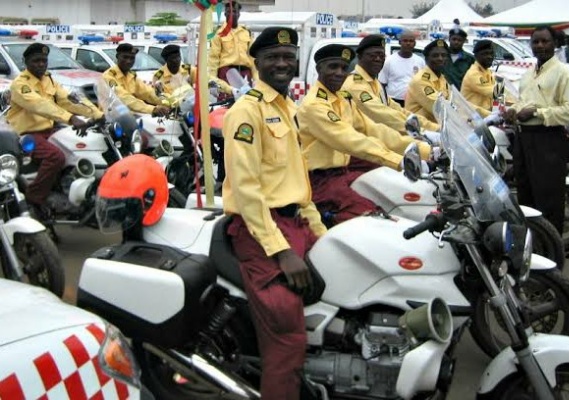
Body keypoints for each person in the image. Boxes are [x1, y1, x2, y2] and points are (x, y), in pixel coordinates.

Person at [222, 26, 327, 400]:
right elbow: (247, 191)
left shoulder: (287, 108)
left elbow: (299, 183)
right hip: (259, 232)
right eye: (273, 58)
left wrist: (324, 236)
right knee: (287, 335)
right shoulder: (246, 112)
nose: (282, 63)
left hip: (295, 222)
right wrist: (280, 251)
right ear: (257, 63)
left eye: (288, 57)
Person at [296, 43, 430, 225]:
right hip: (321, 179)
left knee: (391, 195)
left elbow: (375, 130)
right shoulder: (314, 105)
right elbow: (350, 140)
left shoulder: (341, 98)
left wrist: (426, 150)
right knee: (371, 219)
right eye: (333, 67)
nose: (339, 73)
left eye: (344, 68)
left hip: (343, 171)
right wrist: (399, 162)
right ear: (319, 69)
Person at [7, 43, 104, 215]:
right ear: (26, 62)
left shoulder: (49, 80)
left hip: (50, 130)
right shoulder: (21, 84)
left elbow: (69, 100)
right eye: (36, 61)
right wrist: (70, 118)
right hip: (27, 134)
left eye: (44, 61)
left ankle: (69, 192)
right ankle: (34, 198)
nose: (41, 64)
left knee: (78, 146)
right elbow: (40, 105)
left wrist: (96, 113)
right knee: (55, 157)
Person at [503, 26, 569, 234]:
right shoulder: (529, 74)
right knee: (526, 196)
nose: (540, 46)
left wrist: (538, 114)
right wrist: (513, 110)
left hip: (548, 140)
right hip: (524, 139)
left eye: (545, 41)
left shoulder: (563, 73)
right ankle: (532, 245)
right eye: (536, 42)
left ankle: (551, 250)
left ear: (554, 43)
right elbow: (523, 102)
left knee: (549, 198)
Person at [342, 34, 439, 134]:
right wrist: (423, 132)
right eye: (373, 55)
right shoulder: (355, 85)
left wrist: (434, 128)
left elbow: (398, 111)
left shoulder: (374, 82)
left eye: (381, 55)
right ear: (360, 57)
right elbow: (385, 115)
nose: (378, 59)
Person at [102, 43, 170, 117]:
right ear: (117, 57)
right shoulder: (109, 76)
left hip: (129, 116)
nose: (128, 61)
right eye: (125, 57)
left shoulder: (131, 76)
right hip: (110, 117)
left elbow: (149, 93)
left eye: (132, 58)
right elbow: (124, 98)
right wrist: (152, 109)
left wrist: (170, 101)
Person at [208, 0, 257, 95]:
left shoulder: (247, 33)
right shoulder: (218, 34)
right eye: (228, 11)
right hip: (226, 75)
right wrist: (212, 82)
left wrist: (256, 79)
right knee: (226, 105)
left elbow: (252, 59)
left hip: (245, 75)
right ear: (225, 14)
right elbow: (213, 59)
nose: (231, 14)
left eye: (234, 11)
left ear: (239, 14)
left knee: (247, 105)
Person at [153, 44, 233, 97]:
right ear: (166, 60)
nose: (177, 61)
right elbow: (158, 97)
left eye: (178, 57)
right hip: (172, 112)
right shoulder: (159, 76)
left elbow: (208, 78)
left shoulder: (188, 69)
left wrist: (231, 90)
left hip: (190, 108)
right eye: (173, 59)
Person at [405, 39, 450, 122]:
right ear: (426, 59)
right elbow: (438, 107)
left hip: (436, 127)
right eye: (435, 55)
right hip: (420, 129)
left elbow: (452, 100)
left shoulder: (441, 78)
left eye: (444, 55)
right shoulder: (421, 80)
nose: (440, 59)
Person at [378, 31, 425, 107]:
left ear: (415, 44)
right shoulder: (389, 61)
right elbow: (382, 84)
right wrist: (384, 102)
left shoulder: (420, 61)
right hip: (394, 101)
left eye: (411, 41)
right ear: (400, 42)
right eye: (405, 41)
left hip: (414, 102)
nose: (408, 43)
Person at [460, 39, 496, 117]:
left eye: (491, 53)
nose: (490, 57)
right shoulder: (474, 74)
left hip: (481, 115)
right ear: (476, 56)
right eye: (485, 54)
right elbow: (494, 92)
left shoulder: (486, 71)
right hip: (471, 118)